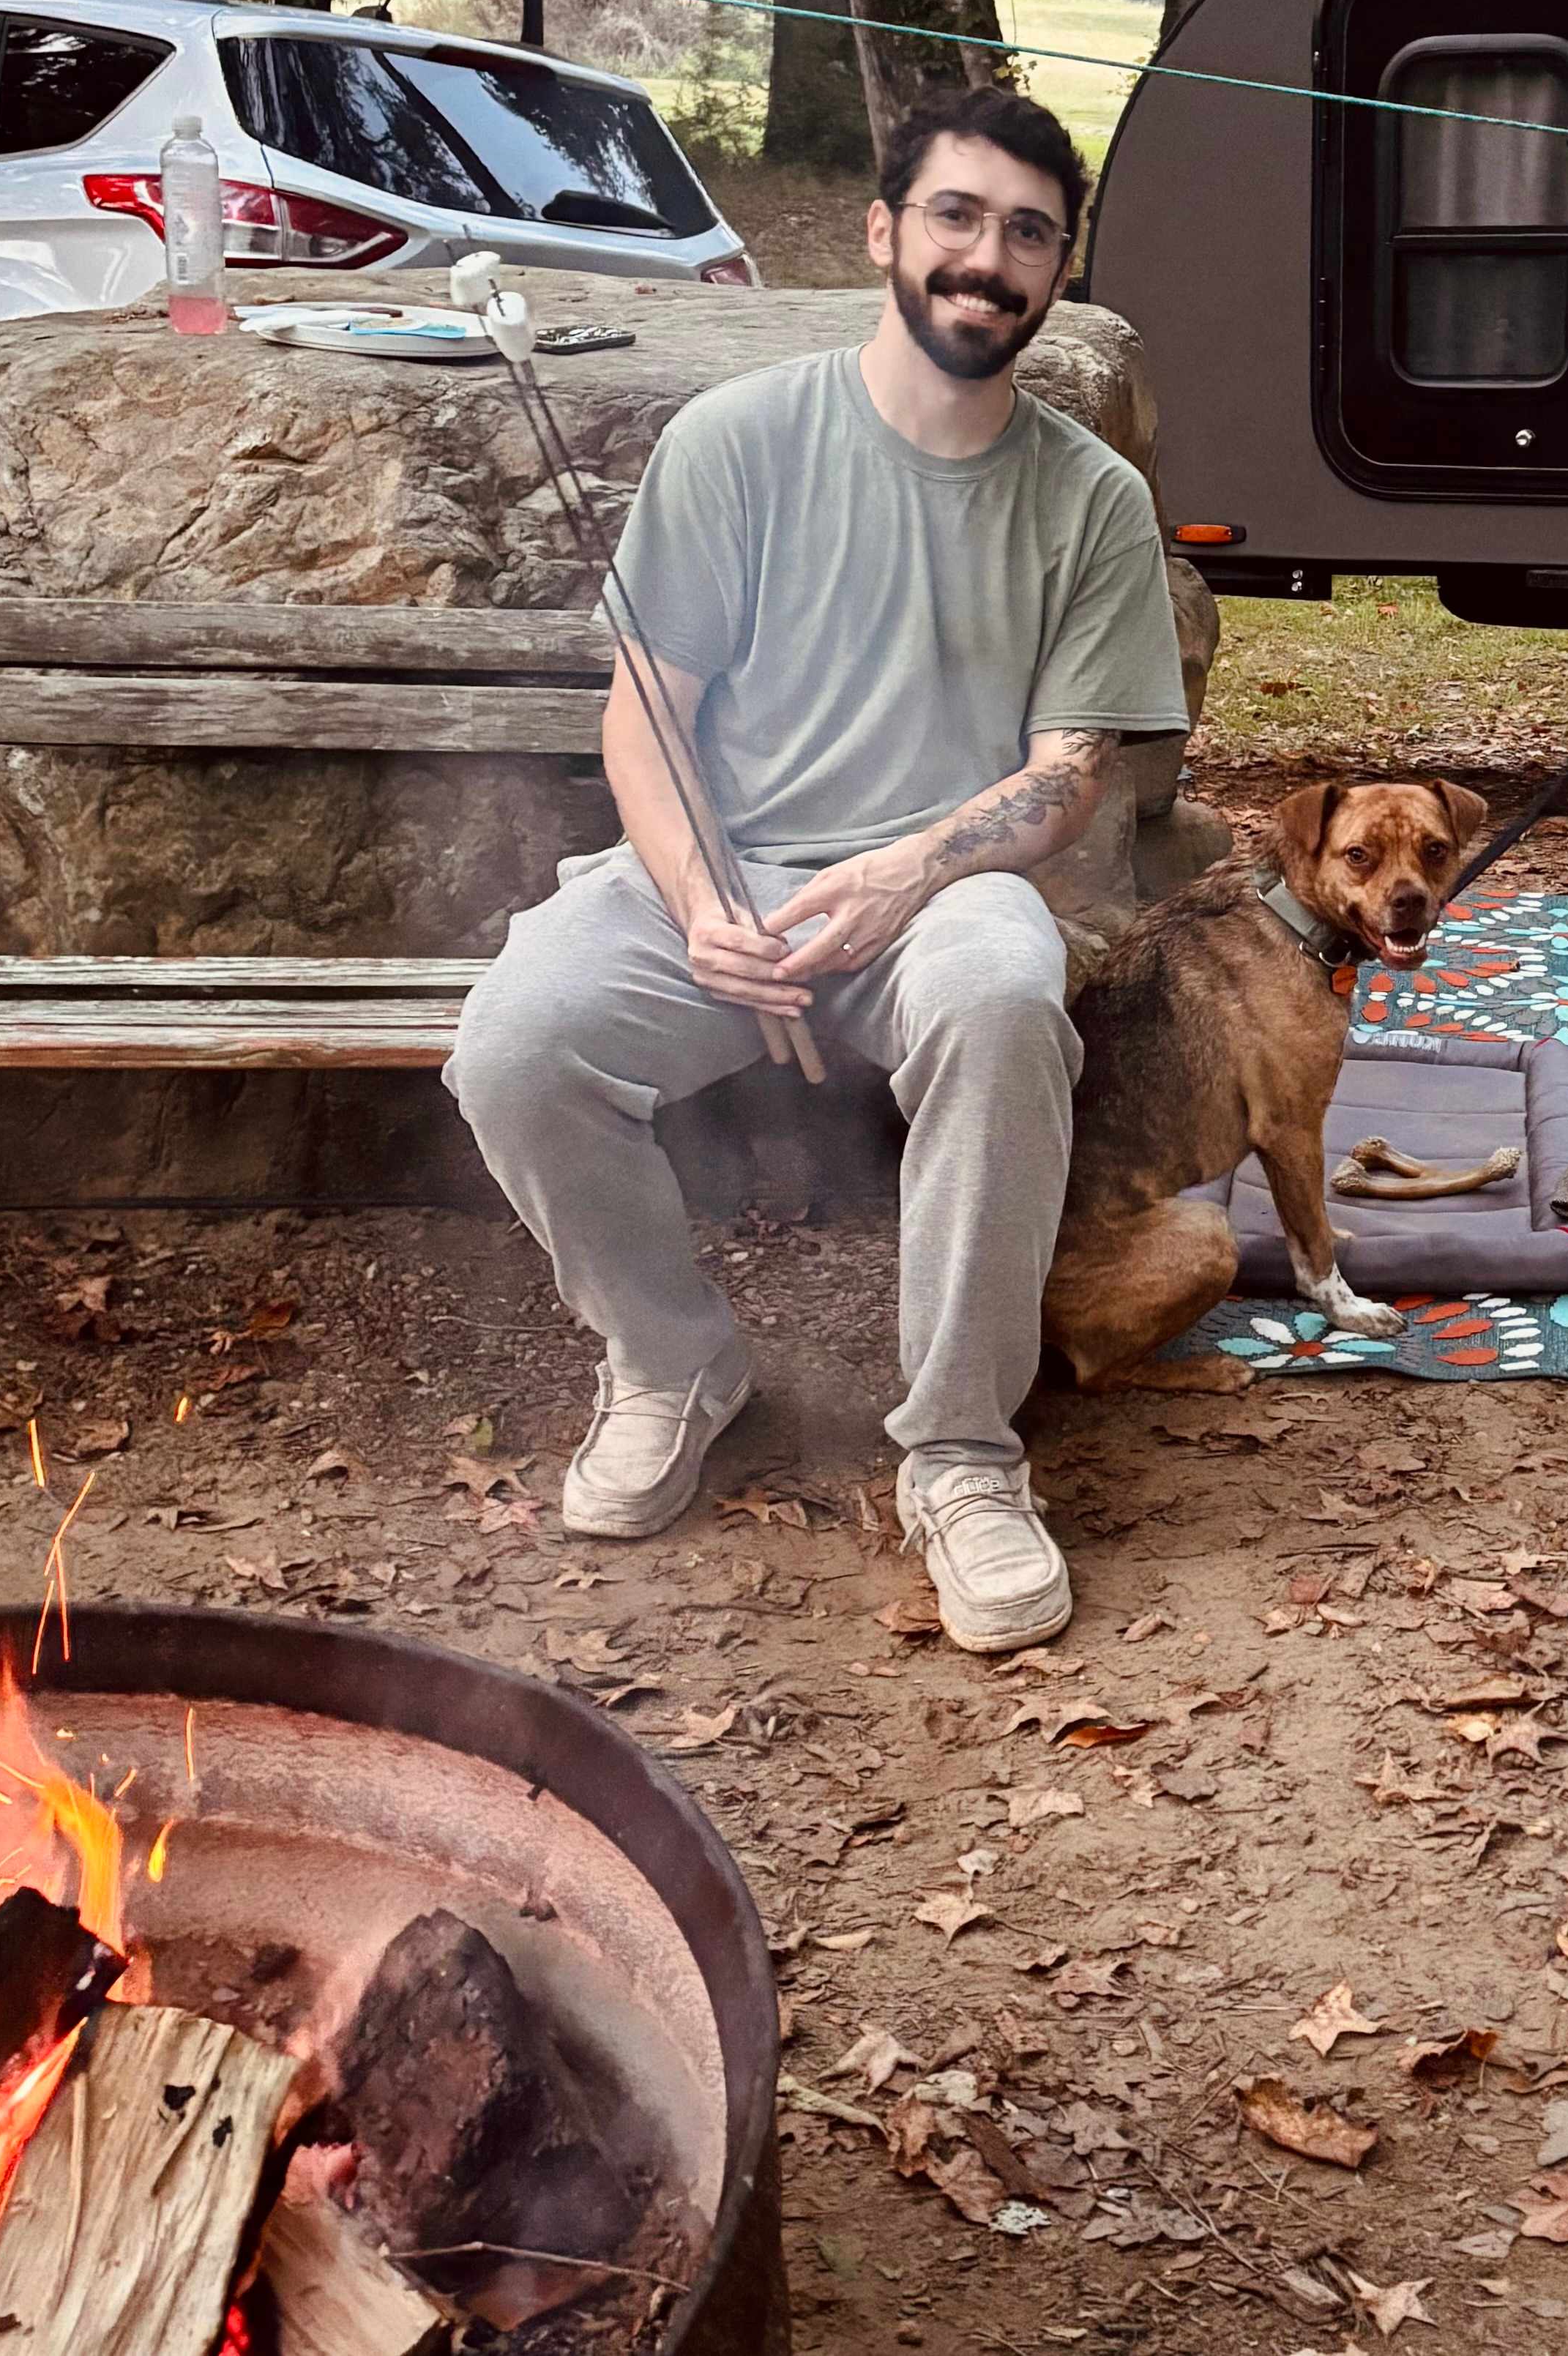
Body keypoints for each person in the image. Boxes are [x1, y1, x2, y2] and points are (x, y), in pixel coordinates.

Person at [447, 84, 1189, 1649]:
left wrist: (907, 870)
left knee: (1000, 997)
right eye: (956, 215)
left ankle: (962, 1449)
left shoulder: (1092, 499)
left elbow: (1068, 775)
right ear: (882, 231)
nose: (988, 258)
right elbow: (646, 716)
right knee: (517, 1039)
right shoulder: (738, 440)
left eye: (1029, 234)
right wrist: (703, 902)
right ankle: (672, 1361)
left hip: (943, 891)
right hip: (721, 873)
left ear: (1059, 269)